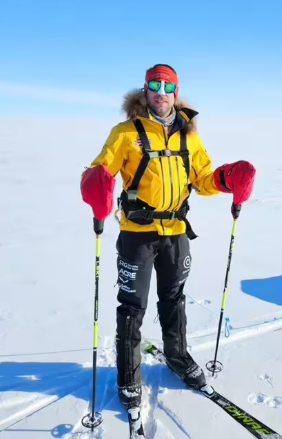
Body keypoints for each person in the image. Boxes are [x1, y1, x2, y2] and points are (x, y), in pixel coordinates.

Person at [80, 64, 256, 412]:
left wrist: (226, 178)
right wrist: (95, 184)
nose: (161, 91)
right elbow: (100, 169)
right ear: (145, 91)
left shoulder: (188, 134)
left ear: (175, 92)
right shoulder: (125, 133)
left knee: (173, 297)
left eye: (167, 85)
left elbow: (203, 177)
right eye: (154, 85)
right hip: (137, 235)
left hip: (176, 233)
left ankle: (177, 355)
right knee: (132, 306)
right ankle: (128, 375)